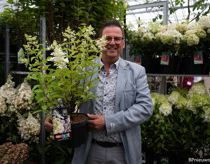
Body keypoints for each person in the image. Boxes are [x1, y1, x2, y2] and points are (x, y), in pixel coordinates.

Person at [44, 19, 153, 164]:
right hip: (89, 150)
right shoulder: (83, 71)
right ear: (99, 42)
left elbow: (145, 108)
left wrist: (108, 122)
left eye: (117, 39)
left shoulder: (136, 72)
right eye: (107, 38)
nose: (112, 42)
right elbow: (66, 101)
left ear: (123, 43)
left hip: (123, 151)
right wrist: (56, 126)